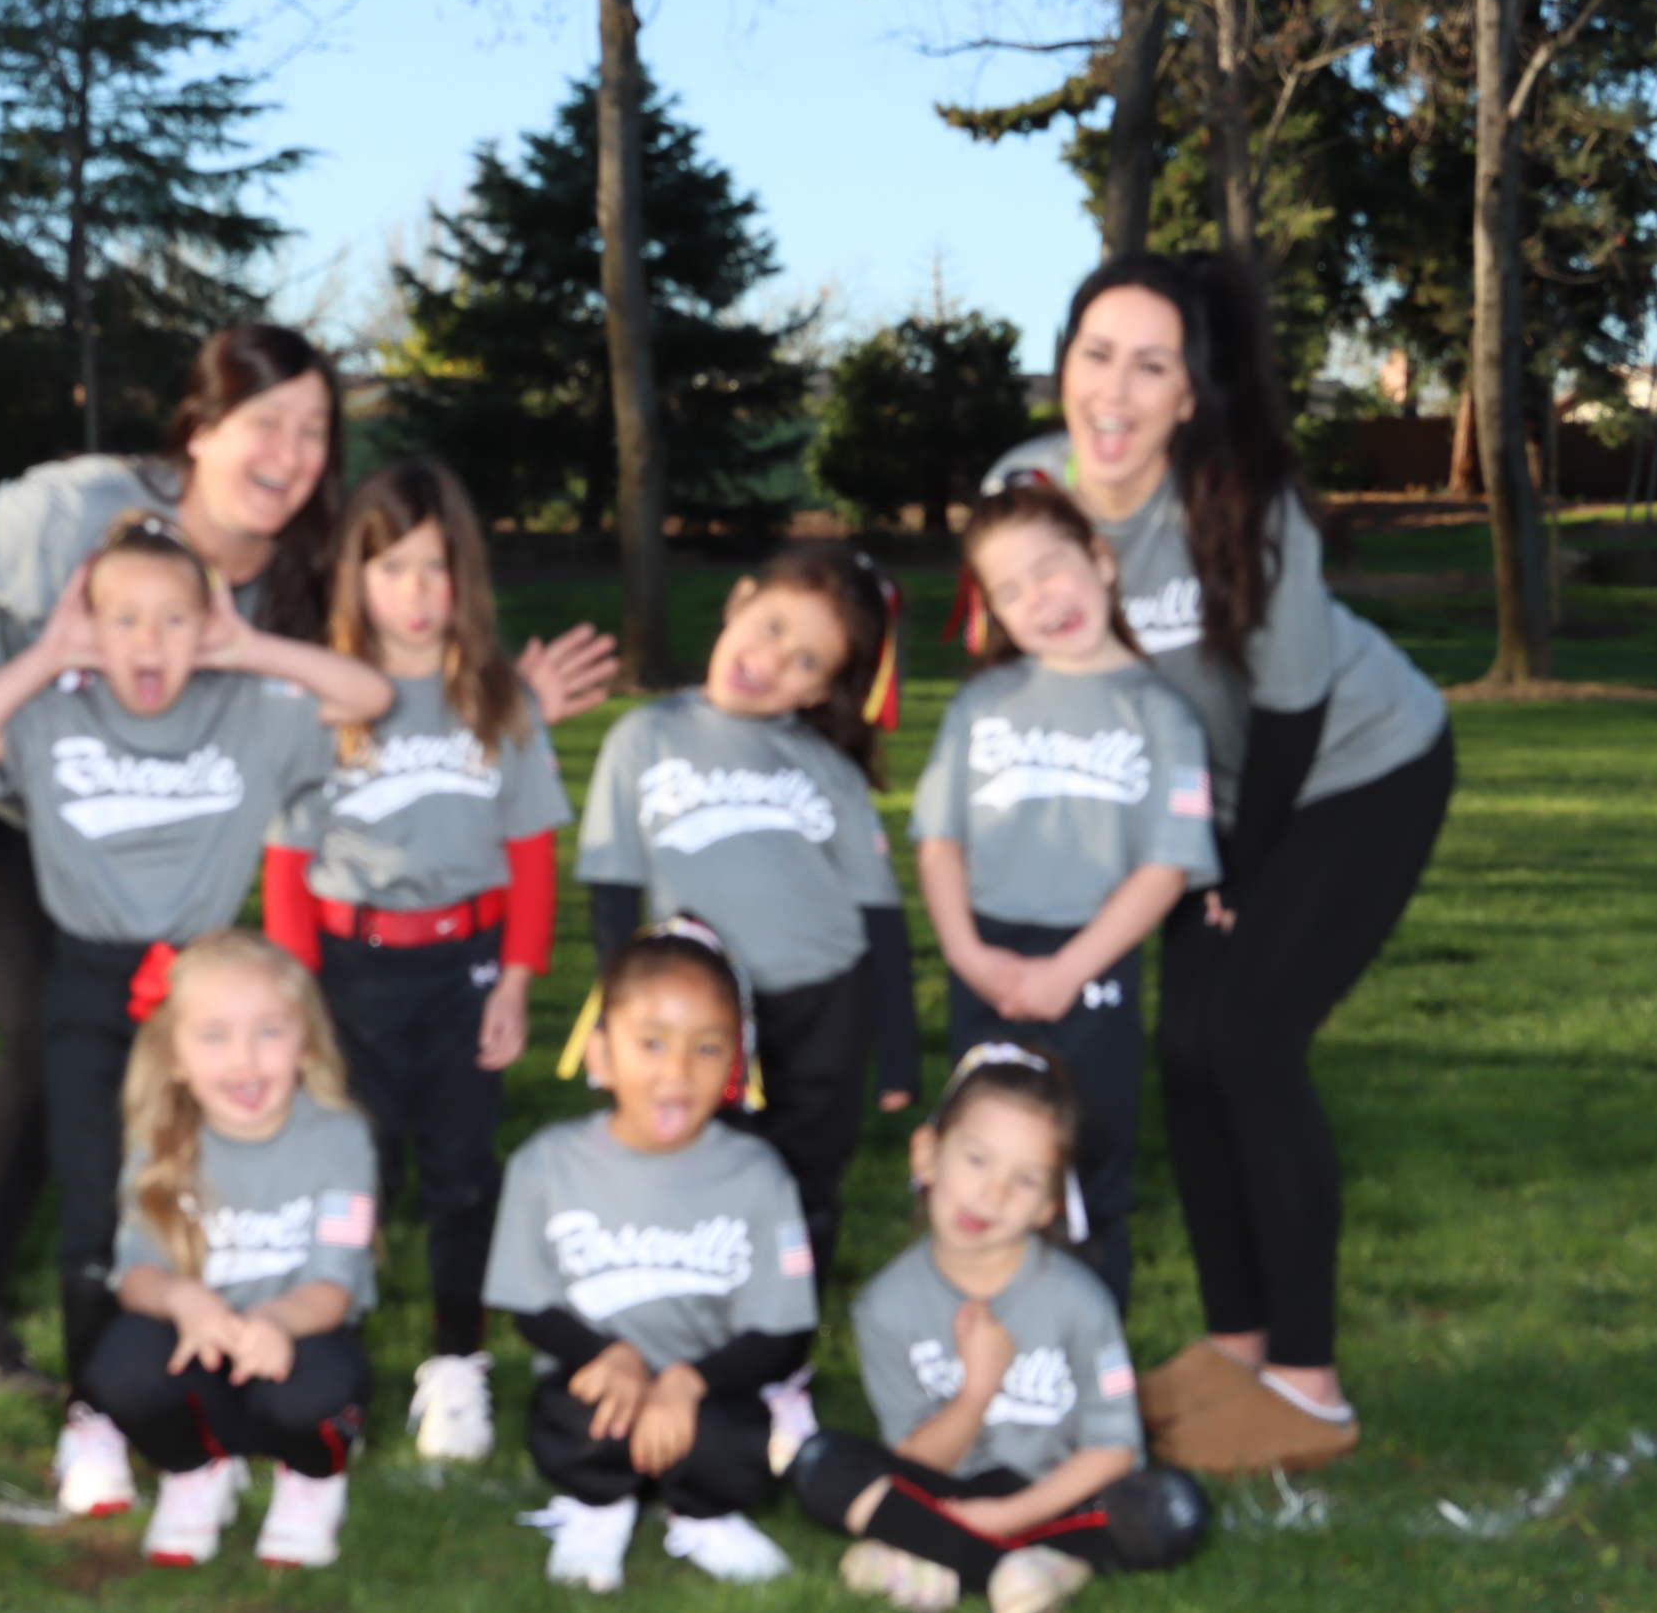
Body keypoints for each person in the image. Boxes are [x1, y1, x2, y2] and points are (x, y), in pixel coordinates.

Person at [0, 325, 619, 1397]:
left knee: (151, 1069)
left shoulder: (300, 567)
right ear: (199, 429)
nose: (289, 453)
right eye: (264, 422)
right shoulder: (73, 509)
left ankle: (180, 1297)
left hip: (144, 849)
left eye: (314, 430)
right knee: (41, 1030)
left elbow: (378, 674)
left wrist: (506, 710)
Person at [986, 253, 1454, 1471]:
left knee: (1246, 1040)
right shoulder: (1023, 492)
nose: (1115, 389)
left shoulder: (1247, 503)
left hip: (1356, 769)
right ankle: (1236, 1342)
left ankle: (1309, 1386)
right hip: (1203, 804)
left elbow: (1293, 712)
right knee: (1186, 1055)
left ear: (1191, 393)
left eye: (1152, 365)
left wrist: (1232, 878)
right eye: (1097, 354)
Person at [0, 514, 391, 1516]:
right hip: (90, 981)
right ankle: (98, 1412)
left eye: (174, 618)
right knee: (99, 1202)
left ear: (206, 621)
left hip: (210, 991)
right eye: (122, 618)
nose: (148, 641)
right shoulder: (56, 709)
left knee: (206, 1187)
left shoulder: (245, 709)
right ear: (88, 626)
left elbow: (369, 696)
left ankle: (221, 1370)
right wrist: (49, 652)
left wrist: (248, 644)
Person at [261, 457, 571, 1464]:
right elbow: (287, 864)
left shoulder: (497, 698)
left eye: (435, 567)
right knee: (354, 1167)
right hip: (348, 971)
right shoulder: (321, 701)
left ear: (463, 577)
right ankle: (331, 1353)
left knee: (460, 1174)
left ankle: (455, 1362)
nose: (416, 592)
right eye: (391, 567)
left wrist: (516, 978)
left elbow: (531, 854)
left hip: (466, 966)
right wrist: (297, 995)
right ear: (354, 578)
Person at [782, 1046, 1209, 1613]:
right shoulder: (885, 1304)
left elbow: (1115, 1450)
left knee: (1172, 1508)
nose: (992, 1192)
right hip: (943, 1487)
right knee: (821, 1463)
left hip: (1054, 1493)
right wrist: (978, 1390)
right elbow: (914, 1456)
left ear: (1048, 1207)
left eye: (1025, 1180)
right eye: (977, 1159)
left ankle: (935, 1555)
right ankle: (1029, 1570)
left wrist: (1009, 1516)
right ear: (927, 1154)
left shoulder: (1080, 1301)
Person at [572, 545, 921, 1286]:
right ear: (737, 601)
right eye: (771, 626)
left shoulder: (826, 766)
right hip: (703, 1006)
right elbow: (613, 892)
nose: (771, 660)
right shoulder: (643, 737)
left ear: (819, 690)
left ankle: (789, 1312)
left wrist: (897, 1048)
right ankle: (705, 1297)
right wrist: (616, 1015)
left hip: (825, 995)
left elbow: (879, 911)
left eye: (805, 661)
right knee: (703, 1160)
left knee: (807, 1167)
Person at [910, 487, 1220, 1310]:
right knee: (981, 1166)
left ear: (1102, 560)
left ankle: (1083, 1357)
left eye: (1050, 569)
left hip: (1093, 962)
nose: (1039, 599)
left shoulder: (1161, 713)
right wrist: (966, 954)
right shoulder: (982, 704)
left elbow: (1166, 867)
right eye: (1010, 590)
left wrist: (1069, 971)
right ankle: (981, 1347)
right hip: (987, 962)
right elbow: (939, 842)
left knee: (1085, 1166)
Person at [485, 922, 816, 1594]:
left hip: (707, 1385)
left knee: (732, 1445)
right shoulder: (546, 1165)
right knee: (577, 1422)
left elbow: (782, 1332)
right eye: (652, 1043)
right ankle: (598, 1505)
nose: (677, 1071)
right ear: (600, 1055)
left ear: (734, 1064)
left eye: (706, 1048)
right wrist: (610, 1357)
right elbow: (530, 1306)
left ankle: (702, 1514)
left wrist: (688, 1382)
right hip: (602, 1379)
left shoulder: (759, 1175)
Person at [80, 931, 379, 1569]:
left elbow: (334, 1287)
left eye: (269, 1032)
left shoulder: (341, 1138)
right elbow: (135, 1275)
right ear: (175, 1057)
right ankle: (197, 1468)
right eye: (214, 1037)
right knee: (121, 1371)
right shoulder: (161, 1138)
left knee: (315, 1394)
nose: (245, 1060)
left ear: (306, 1043)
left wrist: (274, 1322)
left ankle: (314, 1477)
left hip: (299, 1333)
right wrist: (183, 1300)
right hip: (201, 1343)